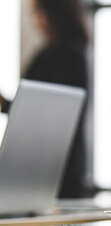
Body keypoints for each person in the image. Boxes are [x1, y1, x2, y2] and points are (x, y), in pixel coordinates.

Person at [1, 0, 89, 198]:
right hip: (34, 165)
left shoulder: (72, 55)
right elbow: (29, 108)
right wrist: (6, 104)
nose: (35, 22)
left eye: (38, 14)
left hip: (62, 168)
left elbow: (54, 112)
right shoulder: (41, 57)